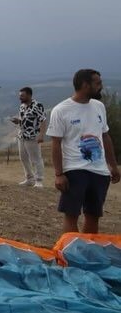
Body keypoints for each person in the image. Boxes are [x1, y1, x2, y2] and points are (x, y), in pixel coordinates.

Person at [46, 69, 120, 234]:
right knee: (71, 215)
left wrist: (113, 166)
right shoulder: (61, 110)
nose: (101, 87)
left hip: (100, 172)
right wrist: (59, 174)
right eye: (97, 83)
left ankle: (87, 254)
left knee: (93, 215)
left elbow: (105, 136)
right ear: (85, 85)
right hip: (75, 171)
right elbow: (56, 143)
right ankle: (70, 255)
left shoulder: (99, 106)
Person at [10, 86, 46, 187]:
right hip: (21, 135)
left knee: (36, 159)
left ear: (29, 95)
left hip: (32, 136)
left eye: (22, 96)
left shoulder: (37, 105)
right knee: (23, 158)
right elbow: (24, 119)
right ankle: (29, 178)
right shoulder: (22, 106)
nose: (20, 98)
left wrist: (41, 134)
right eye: (20, 96)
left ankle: (39, 180)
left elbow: (43, 120)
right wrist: (18, 121)